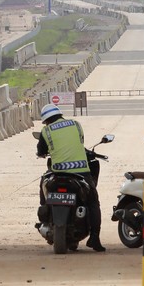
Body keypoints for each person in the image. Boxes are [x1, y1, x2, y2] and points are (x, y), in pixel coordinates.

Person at [36, 104, 105, 252]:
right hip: (81, 172)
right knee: (93, 202)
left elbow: (41, 150)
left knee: (43, 183)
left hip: (57, 172)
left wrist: (42, 153)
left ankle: (44, 213)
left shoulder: (46, 131)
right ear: (60, 115)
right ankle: (95, 237)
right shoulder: (76, 125)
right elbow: (80, 143)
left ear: (46, 120)